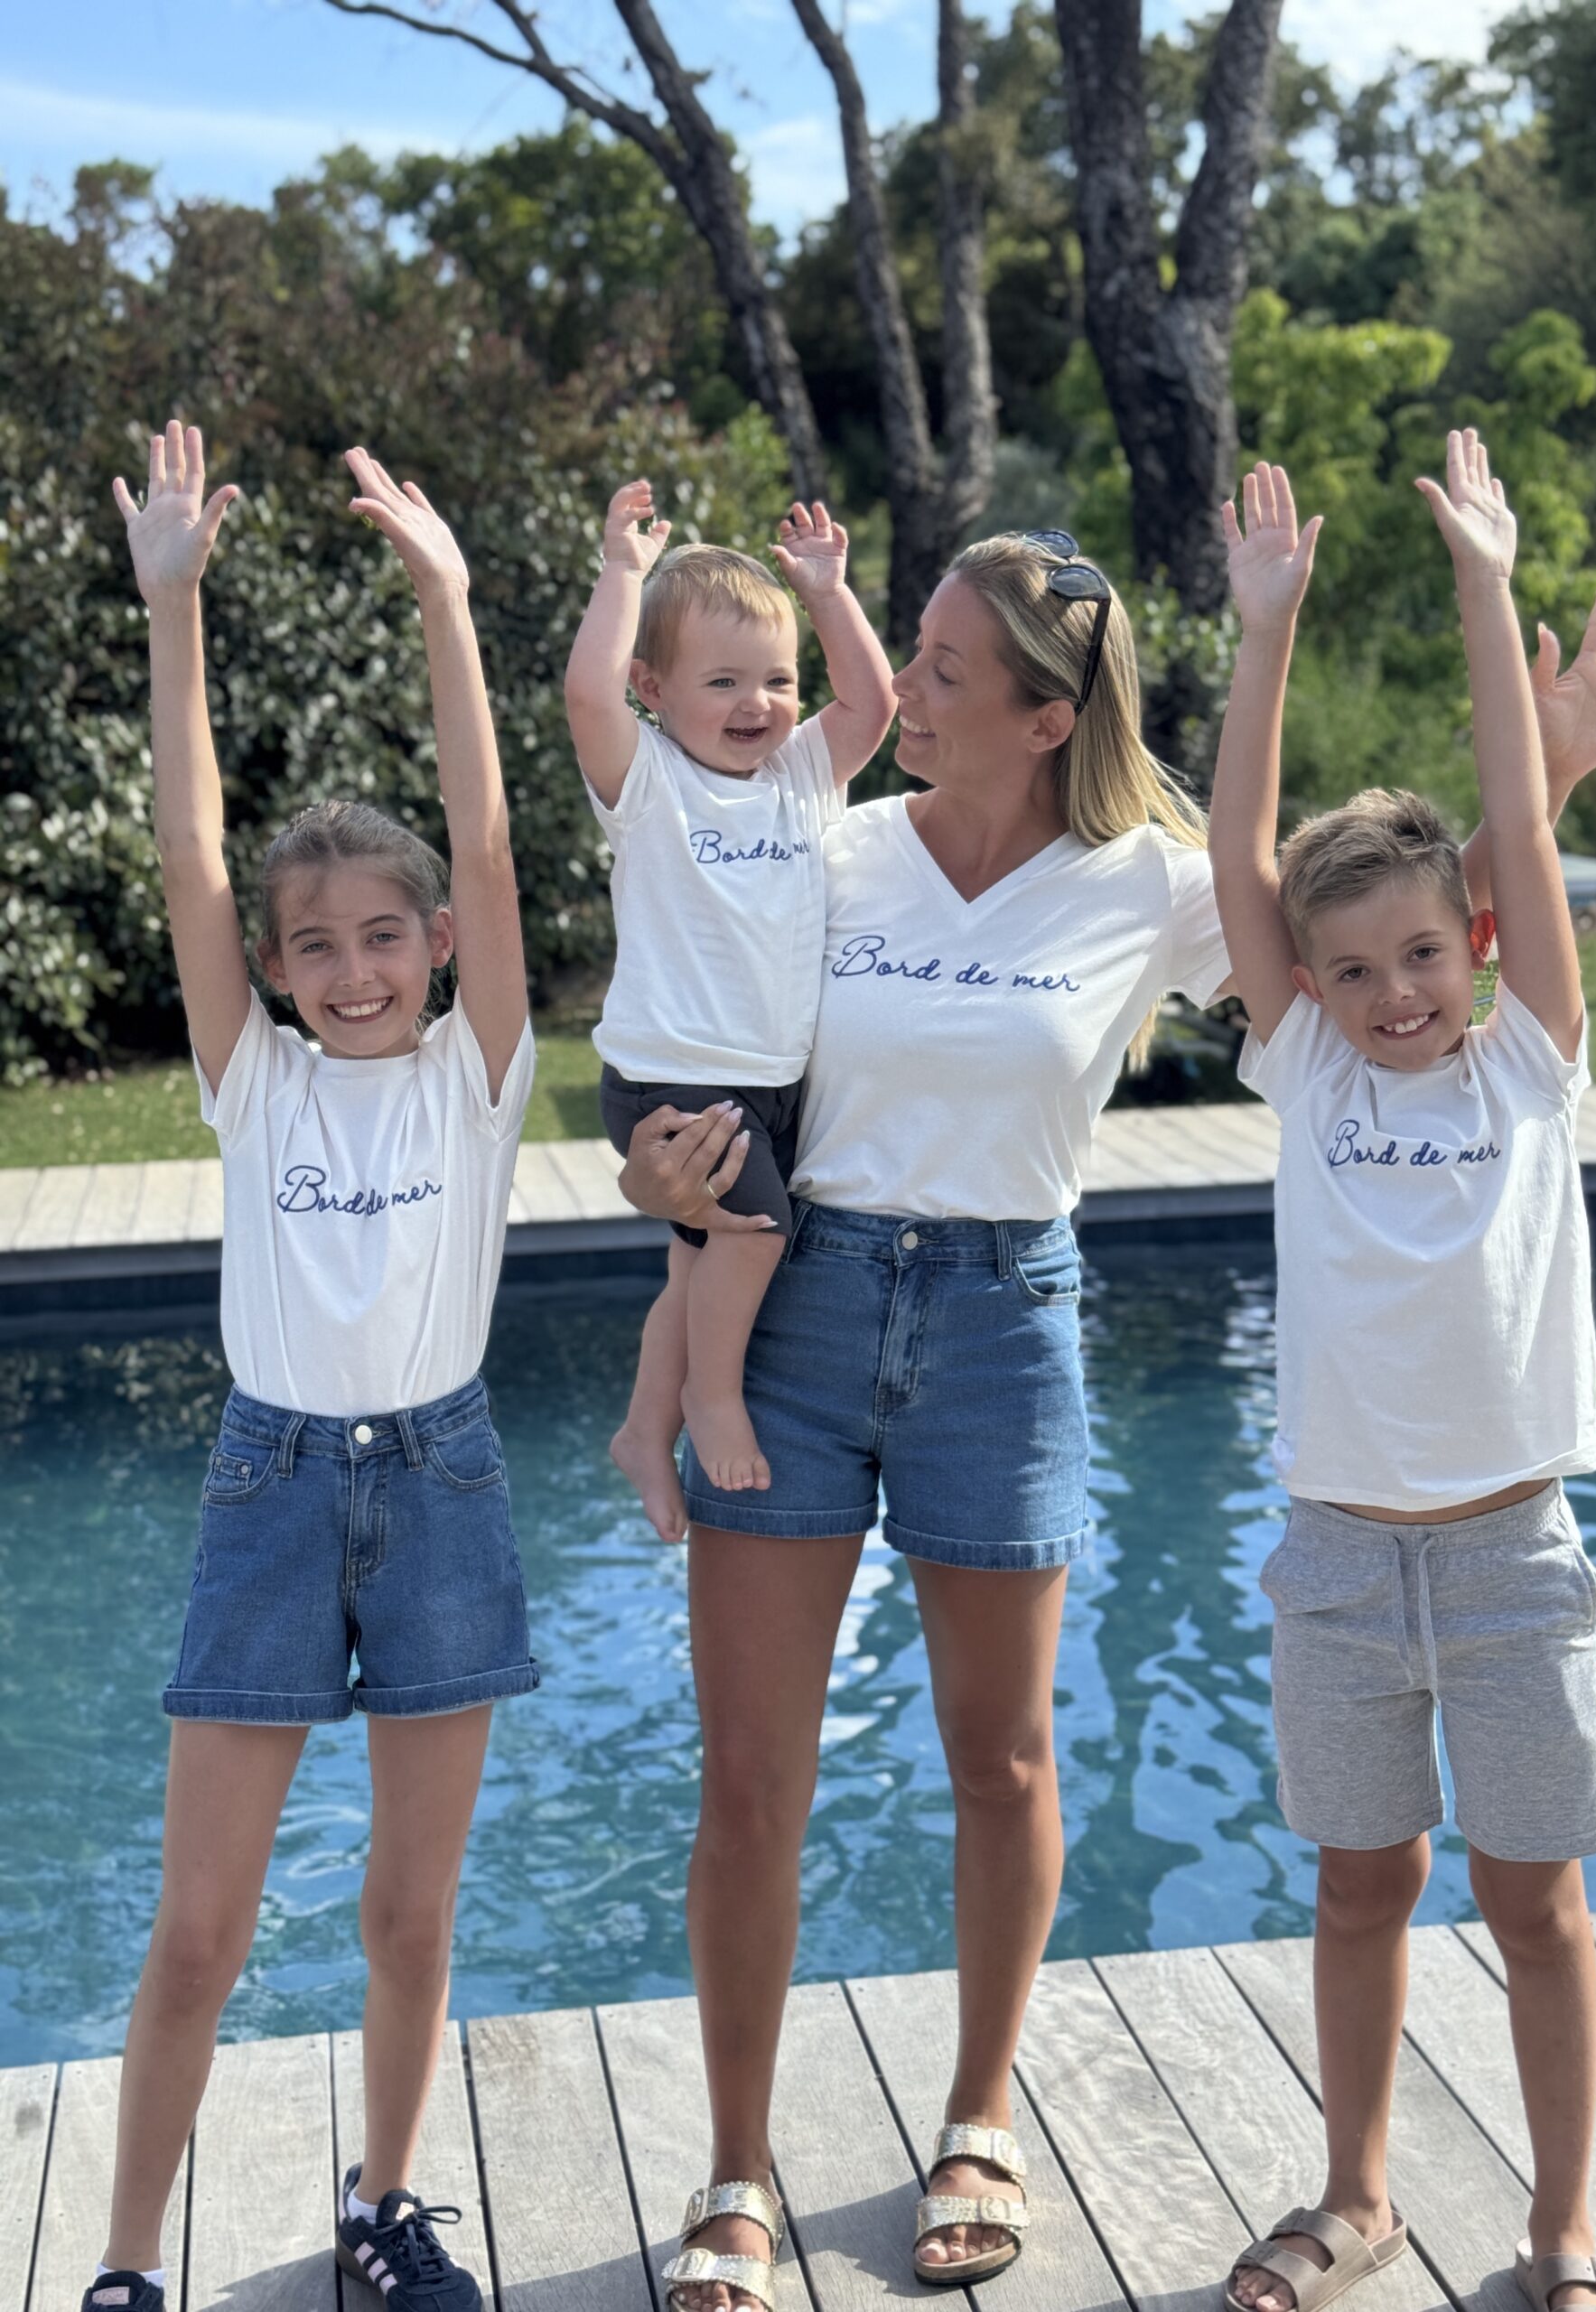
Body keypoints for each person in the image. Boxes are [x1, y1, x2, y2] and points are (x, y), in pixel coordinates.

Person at [614, 527, 1233, 2312]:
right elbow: (701, 1050)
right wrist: (654, 1172)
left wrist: (1538, 782)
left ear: (1045, 719)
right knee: (752, 1774)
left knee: (1004, 1758)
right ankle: (736, 2164)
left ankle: (979, 2115)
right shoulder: (828, 844)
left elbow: (1378, 948)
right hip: (796, 1313)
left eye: (944, 667)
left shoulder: (1152, 884)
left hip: (1003, 1323)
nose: (905, 684)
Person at [1209, 438, 1596, 2312]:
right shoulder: (1308, 1070)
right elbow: (1240, 855)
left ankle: (1564, 2230)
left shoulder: (1528, 1060)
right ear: (1309, 987)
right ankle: (1358, 2195)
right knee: (1358, 1887)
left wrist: (1490, 583)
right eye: (1356, 969)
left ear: (1476, 943)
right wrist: (1265, 629)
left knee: (1539, 1907)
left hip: (1507, 1562)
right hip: (1337, 1565)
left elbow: (1522, 826)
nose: (1396, 992)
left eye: (1423, 952)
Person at [88, 424, 537, 2312]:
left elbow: (491, 837)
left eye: (385, 939)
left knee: (407, 1910)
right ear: (271, 970)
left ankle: (384, 2200)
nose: (354, 972)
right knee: (199, 1929)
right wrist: (171, 607)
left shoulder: (481, 1073)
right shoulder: (252, 1078)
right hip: (273, 1483)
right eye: (315, 948)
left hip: (441, 1482)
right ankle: (126, 2260)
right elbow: (189, 851)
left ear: (437, 945)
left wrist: (448, 603)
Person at [565, 483, 896, 1540]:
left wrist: (829, 595)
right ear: (653, 688)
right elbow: (585, 698)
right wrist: (621, 575)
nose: (758, 703)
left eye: (778, 680)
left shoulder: (799, 775)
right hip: (675, 1078)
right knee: (754, 1236)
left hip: (770, 1084)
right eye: (723, 682)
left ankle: (642, 1429)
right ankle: (710, 1401)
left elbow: (873, 707)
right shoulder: (650, 782)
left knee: (698, 1261)